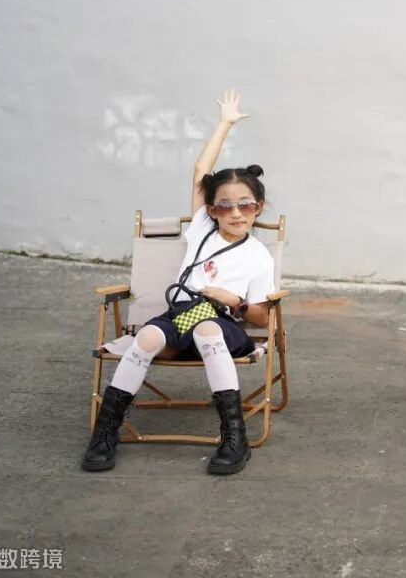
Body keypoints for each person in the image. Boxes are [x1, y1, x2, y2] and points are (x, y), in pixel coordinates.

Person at [82, 89, 276, 475]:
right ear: (211, 210)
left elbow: (261, 318)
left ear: (259, 208)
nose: (236, 213)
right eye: (225, 205)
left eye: (246, 205)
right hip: (181, 316)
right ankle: (105, 431)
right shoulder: (202, 229)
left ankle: (234, 437)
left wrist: (233, 300)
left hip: (223, 324)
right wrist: (224, 124)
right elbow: (201, 169)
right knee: (147, 338)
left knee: (206, 327)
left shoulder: (258, 256)